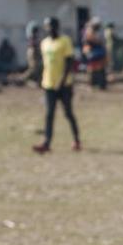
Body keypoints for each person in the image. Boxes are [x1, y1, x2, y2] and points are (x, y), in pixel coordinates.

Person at [32, 17, 81, 154]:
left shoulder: (65, 41)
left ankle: (77, 139)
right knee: (49, 114)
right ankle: (46, 143)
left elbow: (69, 62)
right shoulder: (44, 43)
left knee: (68, 113)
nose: (49, 29)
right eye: (47, 26)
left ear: (57, 26)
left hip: (64, 85)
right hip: (48, 84)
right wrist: (41, 80)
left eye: (52, 26)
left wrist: (62, 81)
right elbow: (46, 64)